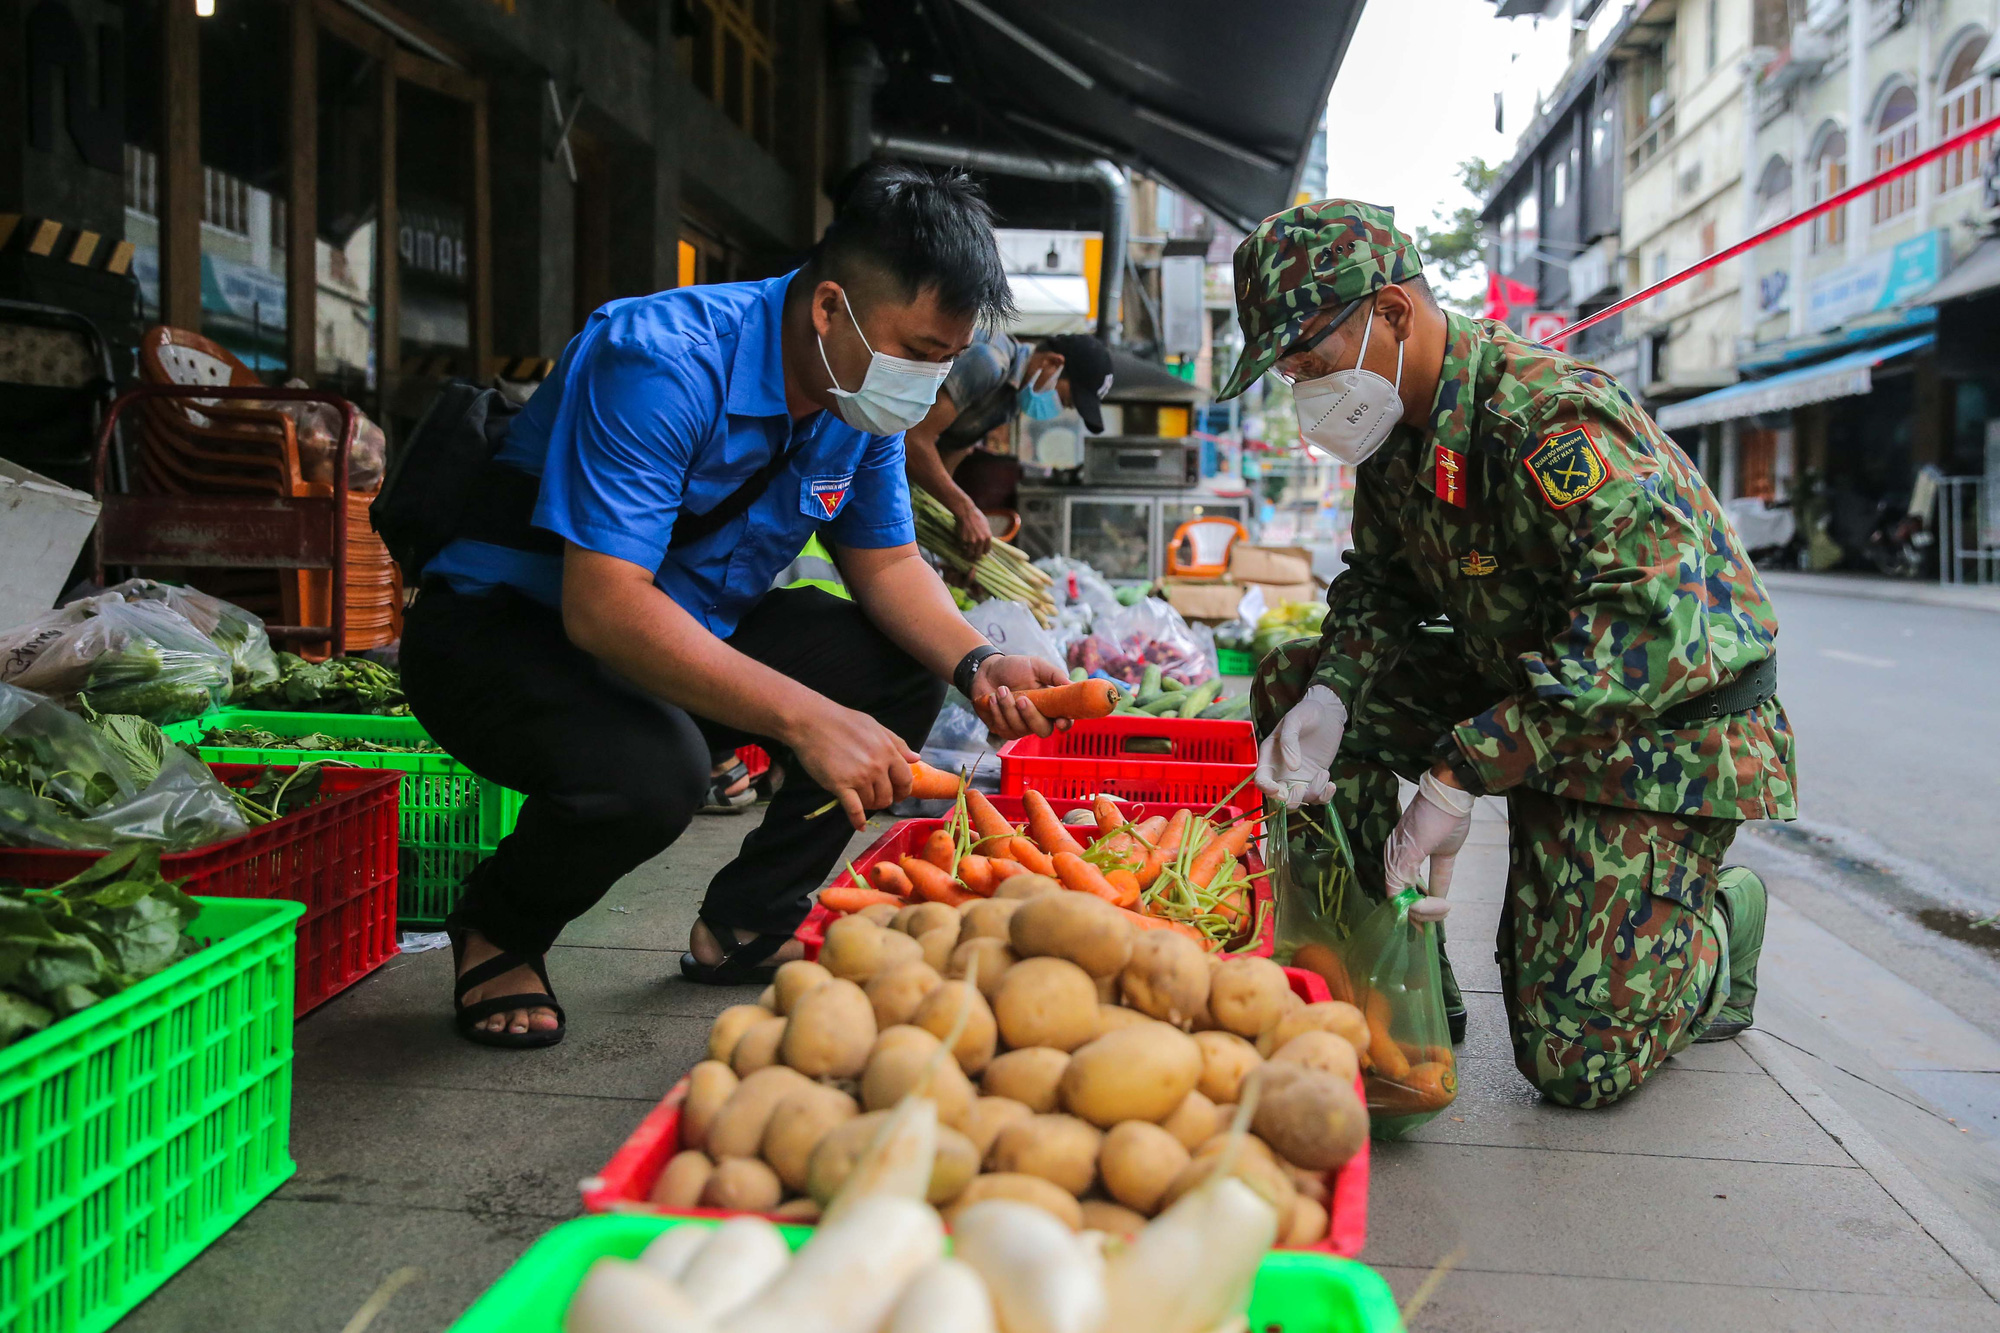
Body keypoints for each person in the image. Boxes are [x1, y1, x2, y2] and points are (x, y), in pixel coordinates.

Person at [401, 164, 1070, 1048]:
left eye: (944, 361)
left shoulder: (855, 402)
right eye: (914, 351)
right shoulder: (660, 360)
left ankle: (746, 920)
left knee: (903, 668)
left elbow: (890, 564)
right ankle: (500, 922)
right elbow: (603, 609)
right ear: (829, 308)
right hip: (507, 634)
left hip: (686, 630)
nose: (923, 383)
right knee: (654, 775)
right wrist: (807, 719)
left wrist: (978, 662)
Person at [1220, 200, 1798, 1109]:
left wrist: (1459, 775)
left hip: (1662, 729)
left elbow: (1645, 633)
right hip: (1526, 688)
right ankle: (1390, 976)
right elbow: (1382, 586)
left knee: (1575, 1066)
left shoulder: (1550, 421)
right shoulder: (1389, 436)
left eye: (1310, 360)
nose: (1304, 388)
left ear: (1393, 314)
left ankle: (1720, 924)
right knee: (1297, 678)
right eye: (1289, 371)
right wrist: (1331, 696)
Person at [902, 329, 1114, 556]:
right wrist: (965, 510)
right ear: (1053, 362)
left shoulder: (1010, 403)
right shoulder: (989, 362)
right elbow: (912, 438)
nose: (1059, 409)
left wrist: (953, 547)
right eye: (1064, 400)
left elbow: (945, 461)